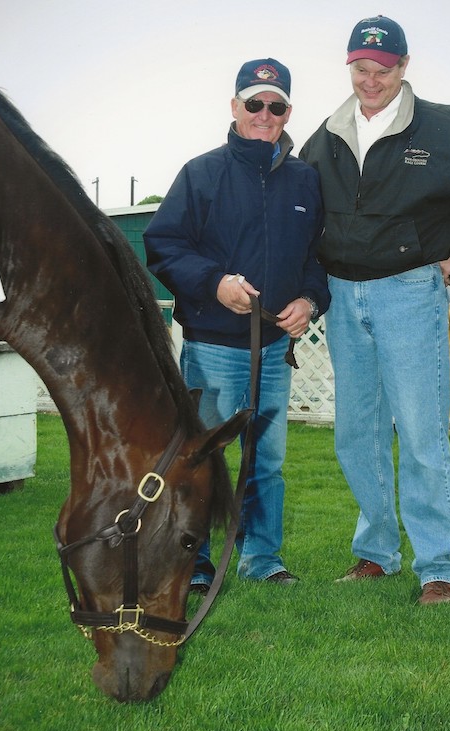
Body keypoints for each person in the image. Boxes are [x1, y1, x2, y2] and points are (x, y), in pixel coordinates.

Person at [300, 16, 450, 604]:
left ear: (403, 68)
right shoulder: (326, 135)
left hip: (409, 291)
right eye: (360, 68)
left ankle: (436, 566)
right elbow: (302, 213)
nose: (370, 79)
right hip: (344, 296)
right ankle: (377, 552)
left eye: (382, 69)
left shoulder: (443, 128)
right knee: (357, 434)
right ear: (348, 66)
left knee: (422, 433)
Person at [144, 58, 330, 592]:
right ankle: (195, 564)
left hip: (274, 348)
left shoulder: (305, 181)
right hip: (213, 347)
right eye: (254, 103)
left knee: (266, 461)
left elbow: (320, 257)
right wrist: (213, 282)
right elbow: (163, 245)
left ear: (288, 112)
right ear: (235, 107)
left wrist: (310, 300)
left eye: (275, 106)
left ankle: (263, 560)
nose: (264, 114)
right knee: (202, 459)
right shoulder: (201, 173)